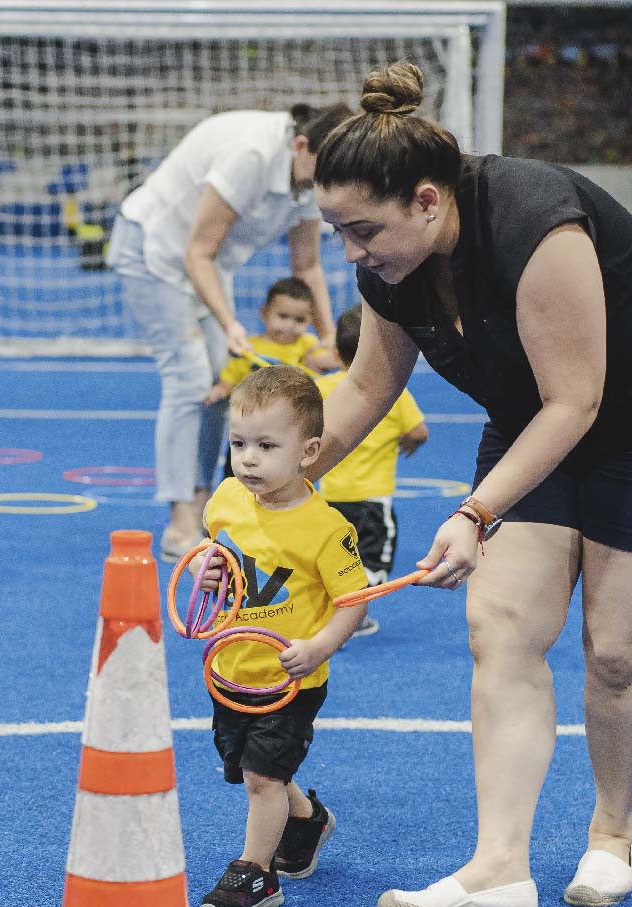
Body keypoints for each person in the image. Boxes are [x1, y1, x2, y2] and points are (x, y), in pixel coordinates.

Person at [309, 61, 632, 907]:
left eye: (361, 230)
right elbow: (365, 388)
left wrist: (475, 512)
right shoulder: (390, 266)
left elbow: (576, 401)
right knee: (501, 626)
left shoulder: (534, 223)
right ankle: (500, 871)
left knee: (615, 651)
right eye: (336, 232)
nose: (350, 254)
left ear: (427, 202)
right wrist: (271, 480)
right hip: (534, 418)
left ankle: (612, 833)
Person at [107, 101, 353, 559]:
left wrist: (330, 341)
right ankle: (180, 517)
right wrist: (231, 324)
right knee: (189, 381)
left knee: (223, 385)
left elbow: (307, 266)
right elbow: (197, 250)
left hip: (207, 263)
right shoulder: (252, 155)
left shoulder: (310, 177)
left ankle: (204, 500)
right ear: (302, 146)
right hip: (154, 250)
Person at [195, 365, 368, 907]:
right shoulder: (226, 498)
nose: (248, 459)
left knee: (262, 777)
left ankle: (256, 872)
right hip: (232, 668)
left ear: (308, 451)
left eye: (267, 446)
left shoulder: (327, 529)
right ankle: (308, 821)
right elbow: (213, 553)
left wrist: (319, 648)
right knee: (248, 766)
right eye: (239, 444)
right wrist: (203, 570)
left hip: (291, 678)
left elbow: (353, 602)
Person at [317, 305, 429, 629]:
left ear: (336, 353)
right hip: (372, 498)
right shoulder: (390, 390)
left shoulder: (324, 387)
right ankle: (348, 619)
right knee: (374, 561)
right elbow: (418, 432)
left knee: (335, 558)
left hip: (331, 497)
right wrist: (408, 443)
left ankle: (331, 614)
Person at [203, 277, 328, 404]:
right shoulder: (250, 347)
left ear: (310, 320)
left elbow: (324, 361)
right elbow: (231, 375)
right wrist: (221, 389)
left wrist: (322, 359)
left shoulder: (308, 344)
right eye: (283, 316)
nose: (290, 325)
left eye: (300, 320)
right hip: (257, 408)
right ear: (264, 313)